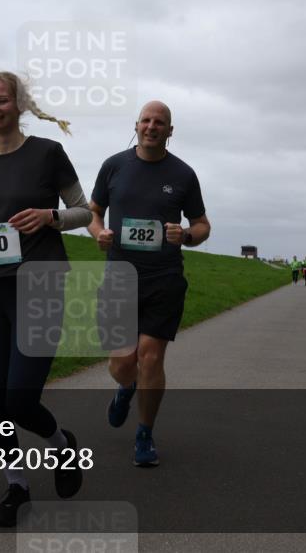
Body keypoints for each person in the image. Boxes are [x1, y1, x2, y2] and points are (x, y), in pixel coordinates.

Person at [0, 68, 91, 527]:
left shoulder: (49, 154)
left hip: (41, 284)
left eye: (1, 100)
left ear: (19, 104)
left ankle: (63, 449)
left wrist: (50, 217)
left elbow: (86, 211)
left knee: (21, 398)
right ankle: (16, 485)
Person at [88, 100, 210, 468]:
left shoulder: (184, 175)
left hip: (164, 278)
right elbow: (94, 212)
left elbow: (203, 224)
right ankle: (126, 388)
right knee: (122, 363)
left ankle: (144, 433)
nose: (152, 126)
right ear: (137, 125)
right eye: (146, 120)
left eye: (160, 122)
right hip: (120, 277)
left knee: (151, 356)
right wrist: (99, 232)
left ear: (170, 131)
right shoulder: (114, 166)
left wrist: (185, 235)